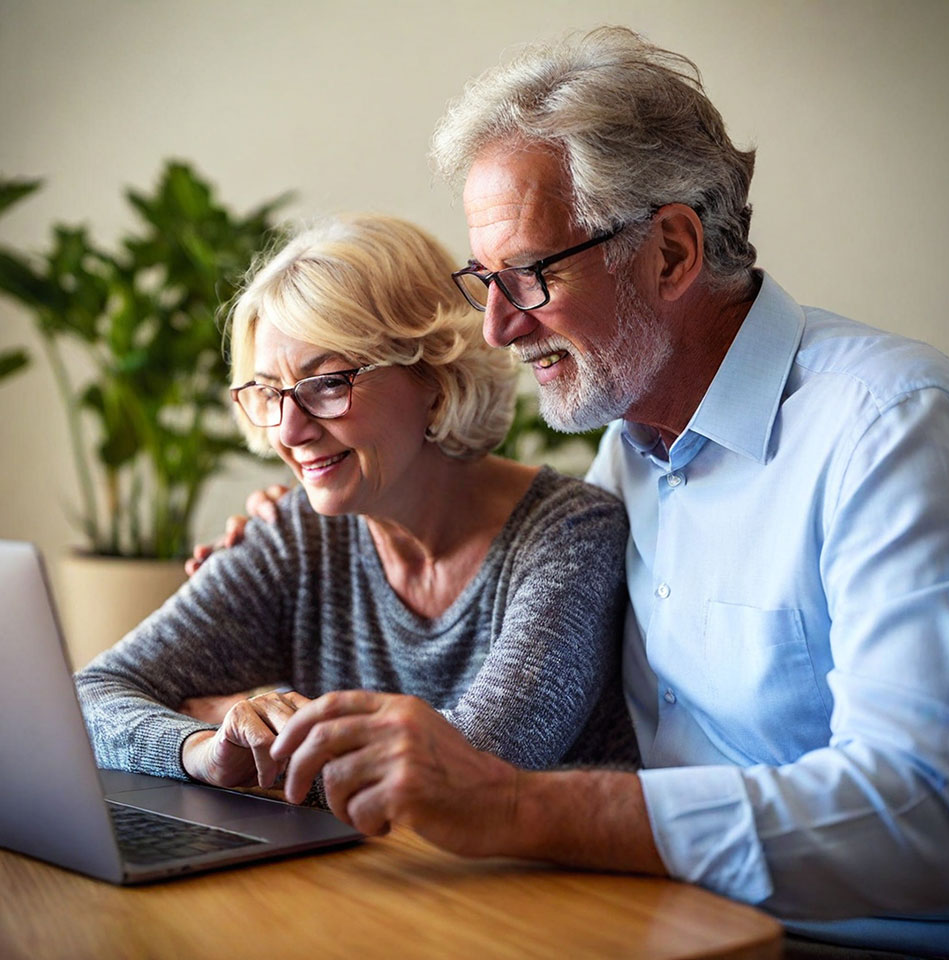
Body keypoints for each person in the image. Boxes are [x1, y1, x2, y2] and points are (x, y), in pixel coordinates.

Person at [254, 27, 949, 959]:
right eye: (485, 280)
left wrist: (513, 806)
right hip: (644, 924)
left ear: (669, 252)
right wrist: (304, 530)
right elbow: (496, 631)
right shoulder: (626, 455)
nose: (498, 327)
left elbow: (926, 810)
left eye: (531, 276)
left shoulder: (891, 429)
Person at [74, 213, 640, 805]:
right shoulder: (294, 536)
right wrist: (203, 746)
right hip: (370, 882)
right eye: (270, 392)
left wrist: (246, 722)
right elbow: (90, 697)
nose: (289, 432)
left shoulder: (573, 535)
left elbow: (470, 762)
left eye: (327, 383)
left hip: (546, 892)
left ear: (436, 380)